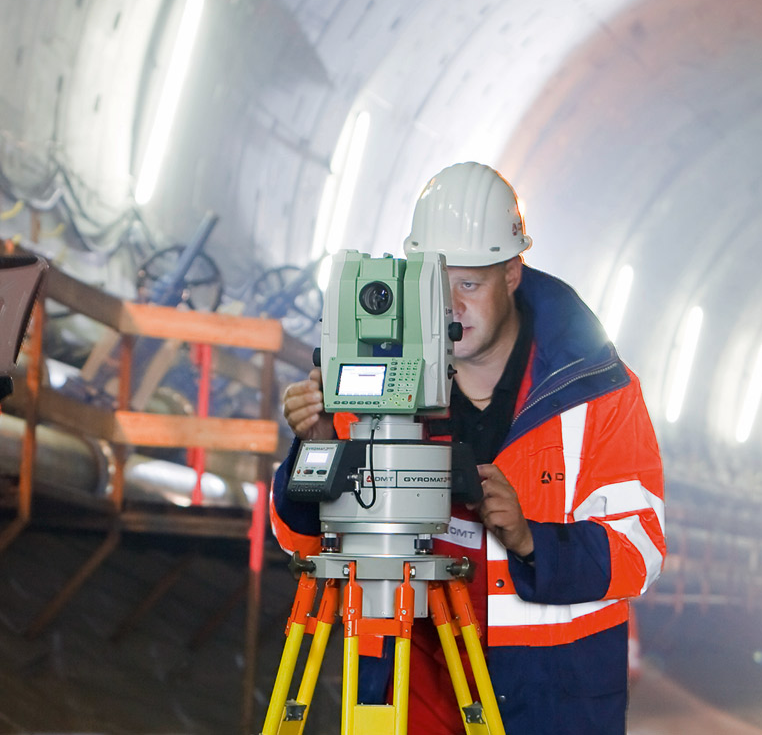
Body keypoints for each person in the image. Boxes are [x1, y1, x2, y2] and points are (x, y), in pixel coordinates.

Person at [275, 162, 667, 733]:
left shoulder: (597, 390)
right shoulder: (375, 380)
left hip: (553, 699)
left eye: (469, 283)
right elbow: (299, 541)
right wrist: (313, 449)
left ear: (512, 272)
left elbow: (642, 549)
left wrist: (534, 540)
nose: (451, 306)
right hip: (414, 691)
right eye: (437, 284)